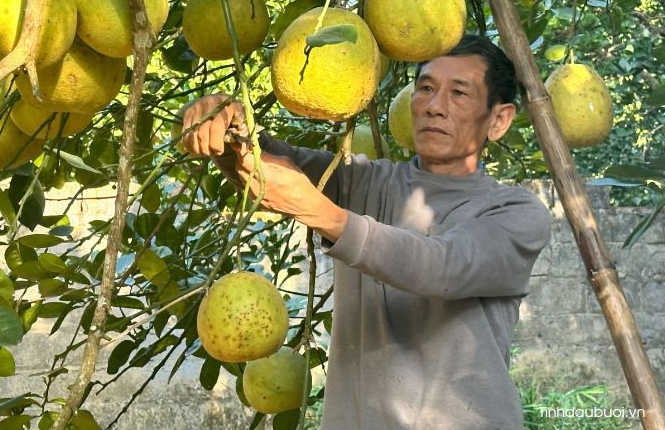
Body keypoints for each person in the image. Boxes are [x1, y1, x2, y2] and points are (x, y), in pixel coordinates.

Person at [181, 34, 552, 429]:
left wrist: (321, 213)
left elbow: (440, 267)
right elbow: (268, 162)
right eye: (425, 88)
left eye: (459, 93)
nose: (434, 106)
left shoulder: (516, 213)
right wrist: (224, 125)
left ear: (499, 120)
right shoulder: (365, 182)